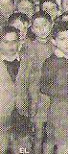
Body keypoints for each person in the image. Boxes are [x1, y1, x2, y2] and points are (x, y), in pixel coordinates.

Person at [39, 21, 68, 153]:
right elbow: (43, 86)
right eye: (62, 39)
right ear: (54, 41)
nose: (67, 43)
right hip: (60, 110)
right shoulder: (51, 61)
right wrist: (66, 90)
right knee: (62, 145)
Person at [16, 11, 54, 154]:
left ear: (51, 25)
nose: (41, 29)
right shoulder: (28, 48)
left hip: (54, 97)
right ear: (32, 29)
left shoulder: (57, 45)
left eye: (44, 25)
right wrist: (23, 99)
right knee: (37, 135)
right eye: (37, 27)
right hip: (36, 98)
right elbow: (23, 77)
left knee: (51, 136)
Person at [0, 26, 32, 154]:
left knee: (23, 149)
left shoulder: (27, 62)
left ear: (19, 43)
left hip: (22, 112)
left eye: (14, 41)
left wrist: (32, 109)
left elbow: (31, 87)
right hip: (2, 113)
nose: (10, 46)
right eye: (6, 42)